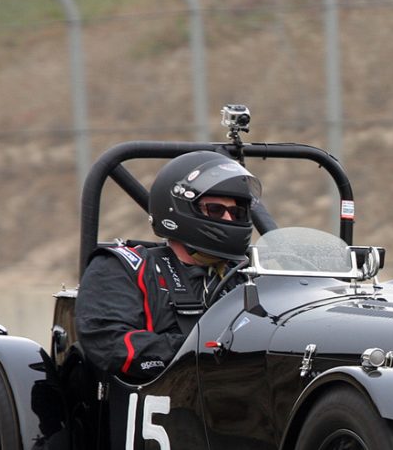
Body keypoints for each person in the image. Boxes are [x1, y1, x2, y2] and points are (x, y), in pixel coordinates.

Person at [75, 151, 264, 382]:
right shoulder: (123, 267)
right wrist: (206, 348)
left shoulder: (250, 274)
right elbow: (112, 345)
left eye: (236, 212)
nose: (228, 220)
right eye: (215, 210)